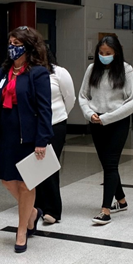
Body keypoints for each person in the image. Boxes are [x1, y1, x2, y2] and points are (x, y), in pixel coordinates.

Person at [0, 26, 53, 253]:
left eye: (17, 43)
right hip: (8, 135)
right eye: (10, 43)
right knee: (7, 180)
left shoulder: (38, 73)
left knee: (26, 184)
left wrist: (42, 140)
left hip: (30, 137)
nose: (12, 47)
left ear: (29, 46)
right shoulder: (4, 72)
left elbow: (45, 110)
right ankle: (32, 211)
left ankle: (22, 229)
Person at [78, 35, 133, 225]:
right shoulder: (92, 69)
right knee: (107, 164)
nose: (104, 56)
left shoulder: (126, 70)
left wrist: (107, 118)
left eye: (108, 53)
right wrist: (90, 114)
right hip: (96, 122)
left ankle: (105, 210)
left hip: (117, 123)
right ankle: (121, 200)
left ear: (116, 53)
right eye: (101, 53)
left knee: (111, 164)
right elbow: (83, 95)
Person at [35, 49, 75, 224]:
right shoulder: (28, 73)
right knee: (35, 167)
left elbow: (70, 98)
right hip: (34, 127)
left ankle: (53, 209)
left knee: (49, 166)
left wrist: (60, 114)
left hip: (55, 124)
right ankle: (37, 206)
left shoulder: (59, 73)